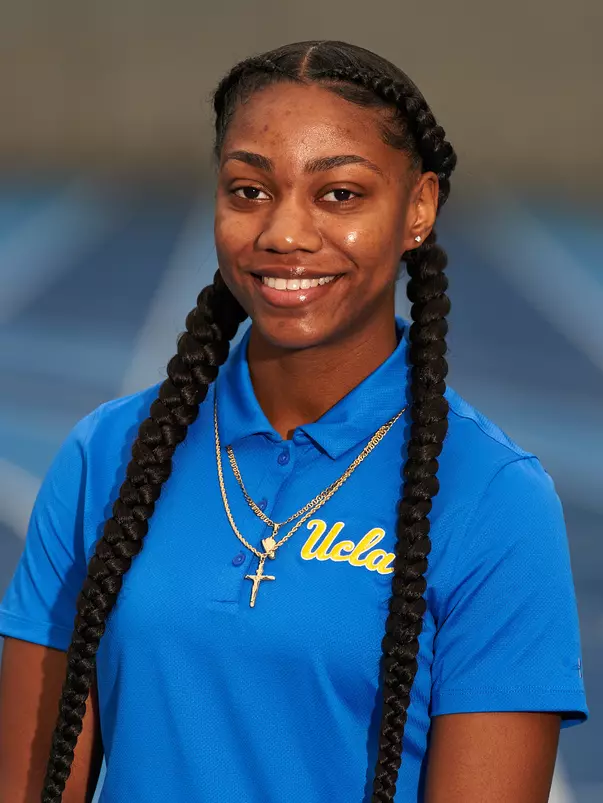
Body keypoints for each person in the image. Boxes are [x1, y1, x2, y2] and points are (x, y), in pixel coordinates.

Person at [0, 40, 588, 803]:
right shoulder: (106, 456)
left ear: (418, 208)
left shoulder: (493, 498)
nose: (283, 232)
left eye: (339, 194)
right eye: (248, 190)